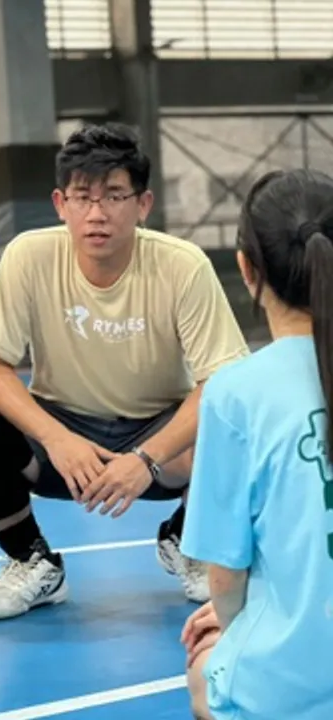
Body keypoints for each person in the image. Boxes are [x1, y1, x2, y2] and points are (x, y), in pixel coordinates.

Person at [0, 122, 250, 621]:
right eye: (83, 197)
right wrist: (57, 438)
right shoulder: (29, 256)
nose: (97, 213)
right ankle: (31, 560)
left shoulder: (183, 266)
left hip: (162, 442)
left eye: (114, 196)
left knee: (241, 420)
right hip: (60, 441)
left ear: (143, 204)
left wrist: (147, 458)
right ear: (59, 203)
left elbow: (222, 380)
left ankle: (191, 537)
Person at [181, 168, 333, 720]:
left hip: (292, 693)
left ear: (247, 269)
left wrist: (234, 622)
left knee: (202, 665)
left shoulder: (234, 393)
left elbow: (225, 579)